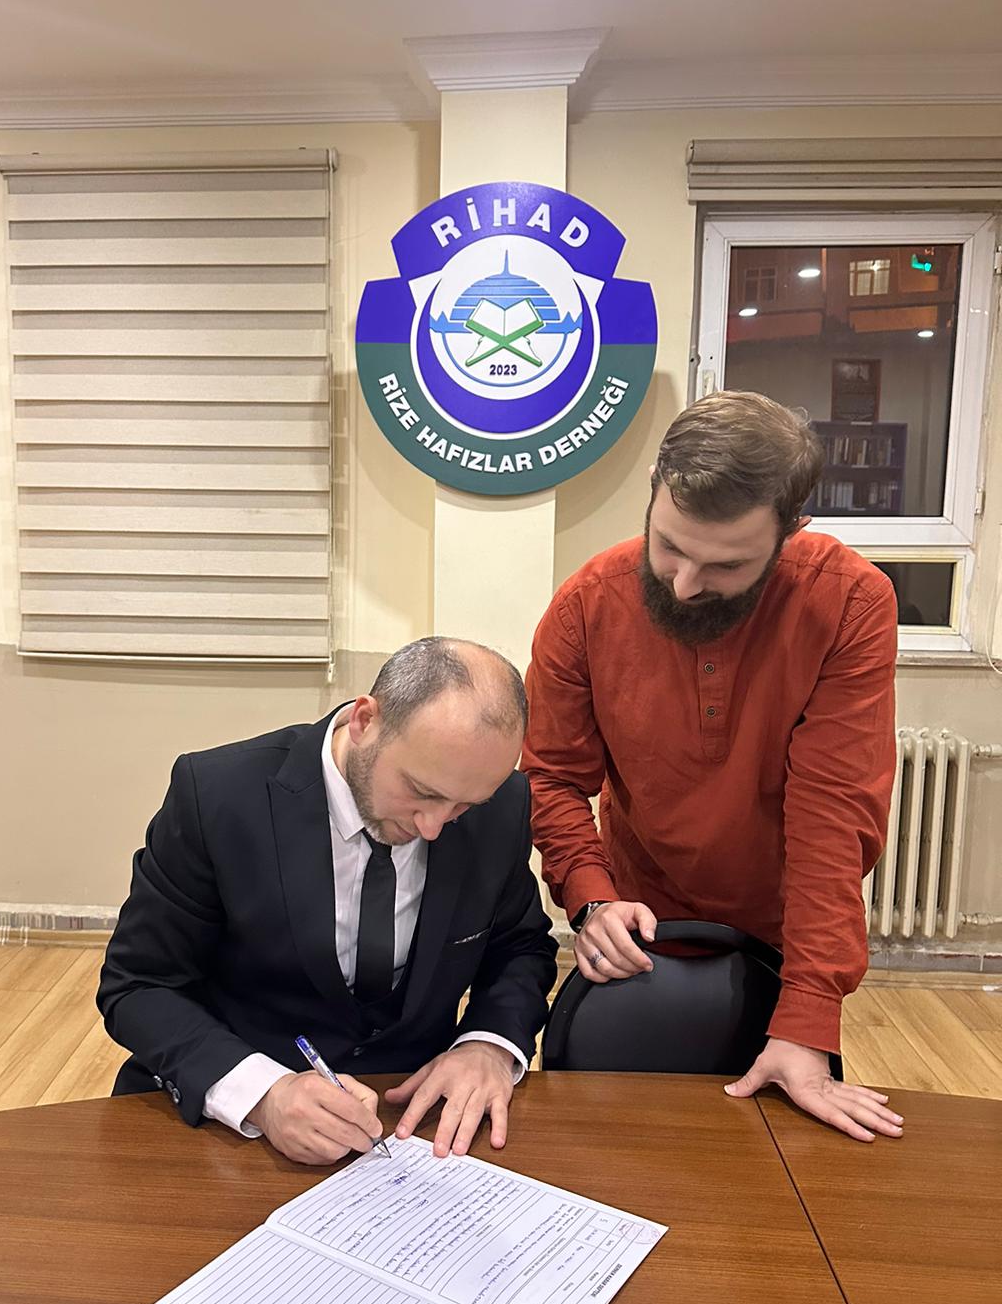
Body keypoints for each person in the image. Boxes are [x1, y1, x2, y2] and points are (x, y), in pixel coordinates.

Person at [522, 392, 904, 1142]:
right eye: (669, 545)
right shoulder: (585, 606)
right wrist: (591, 899)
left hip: (780, 936)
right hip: (635, 926)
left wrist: (808, 1013)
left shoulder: (850, 604)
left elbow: (833, 818)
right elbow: (553, 777)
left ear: (791, 531)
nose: (684, 583)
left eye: (726, 564)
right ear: (655, 490)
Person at [99, 637, 558, 1166]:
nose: (434, 826)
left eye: (464, 806)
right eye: (422, 791)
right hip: (232, 1128)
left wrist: (487, 1045)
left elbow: (519, 948)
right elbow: (139, 985)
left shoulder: (500, 806)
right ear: (365, 721)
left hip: (416, 1127)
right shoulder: (219, 796)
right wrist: (262, 1093)